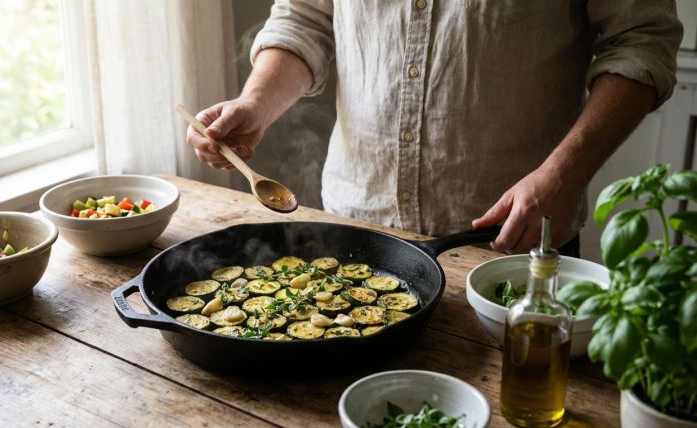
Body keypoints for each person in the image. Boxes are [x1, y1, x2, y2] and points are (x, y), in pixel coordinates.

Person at [186, 1, 683, 256]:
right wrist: (255, 103)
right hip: (354, 225)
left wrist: (564, 174)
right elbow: (305, 19)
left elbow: (642, 41)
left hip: (510, 238)